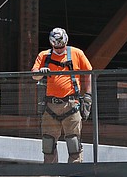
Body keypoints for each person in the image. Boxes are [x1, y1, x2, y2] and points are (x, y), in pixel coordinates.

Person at [31, 27, 92, 164]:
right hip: (50, 106)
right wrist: (41, 72)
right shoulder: (44, 56)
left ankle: (73, 175)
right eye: (56, 47)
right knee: (48, 143)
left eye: (62, 46)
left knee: (74, 143)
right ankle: (50, 176)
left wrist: (88, 95)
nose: (60, 50)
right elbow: (34, 76)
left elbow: (89, 73)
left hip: (71, 104)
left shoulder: (76, 53)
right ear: (52, 44)